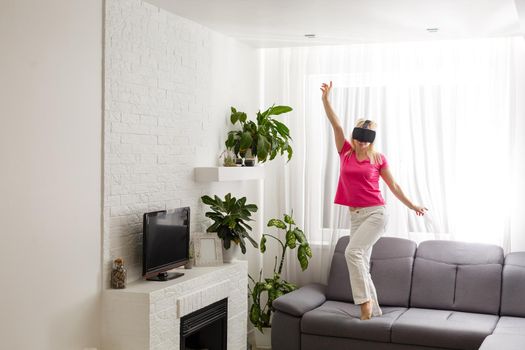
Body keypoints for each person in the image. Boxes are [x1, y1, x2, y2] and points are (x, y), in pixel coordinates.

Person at [320, 81, 427, 320]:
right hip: (355, 216)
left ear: (372, 140)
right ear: (355, 136)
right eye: (360, 137)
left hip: (376, 214)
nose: (363, 142)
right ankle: (374, 313)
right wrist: (326, 100)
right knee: (361, 260)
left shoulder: (378, 158)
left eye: (368, 138)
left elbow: (394, 186)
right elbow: (336, 124)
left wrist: (413, 206)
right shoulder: (345, 151)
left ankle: (365, 305)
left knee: (352, 253)